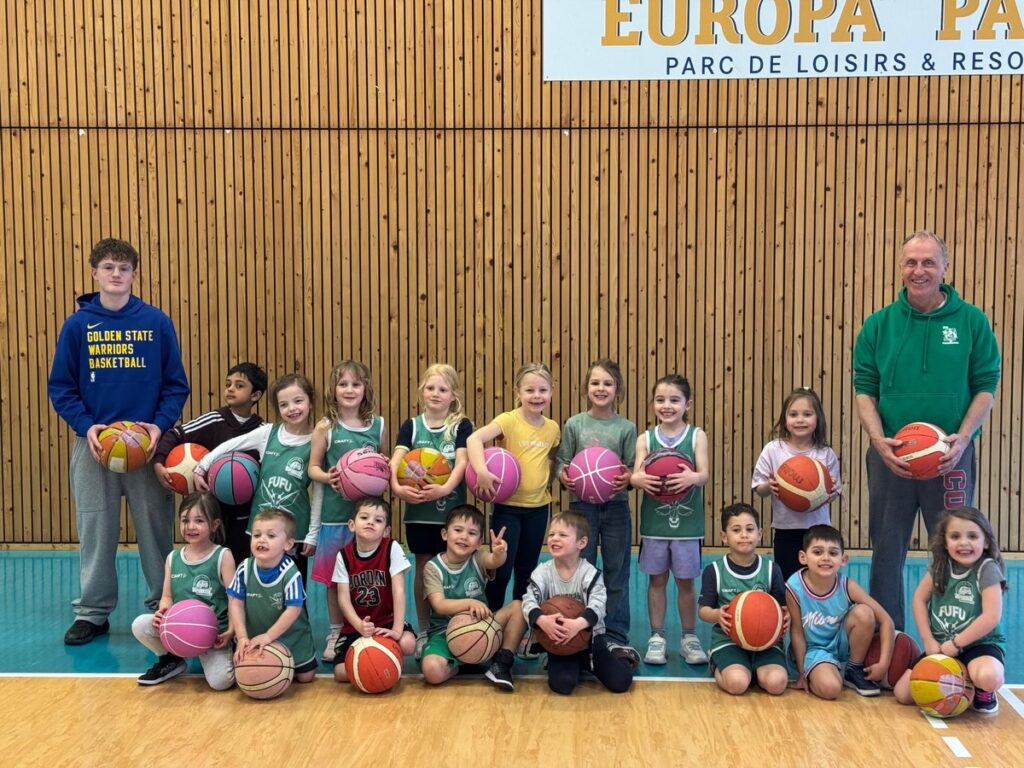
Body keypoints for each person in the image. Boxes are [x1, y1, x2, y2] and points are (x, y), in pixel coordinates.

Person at [854, 230, 1001, 630]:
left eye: (928, 263)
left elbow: (986, 385)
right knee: (886, 550)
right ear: (901, 268)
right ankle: (890, 641)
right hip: (891, 456)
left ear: (944, 268)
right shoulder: (879, 325)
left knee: (957, 548)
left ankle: (952, 641)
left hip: (951, 457)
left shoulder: (971, 321)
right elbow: (864, 388)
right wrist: (877, 440)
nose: (918, 271)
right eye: (911, 262)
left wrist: (964, 437)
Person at [47, 238, 190, 645]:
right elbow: (61, 387)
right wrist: (86, 425)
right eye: (108, 267)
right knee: (95, 529)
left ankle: (162, 606)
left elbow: (175, 386)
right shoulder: (77, 326)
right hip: (94, 445)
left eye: (123, 268)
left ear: (133, 274)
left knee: (156, 530)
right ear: (94, 272)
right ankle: (93, 613)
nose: (116, 274)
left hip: (146, 447)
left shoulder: (156, 322)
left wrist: (158, 428)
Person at [194, 374, 321, 582]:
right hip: (260, 529)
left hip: (294, 532)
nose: (292, 408)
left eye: (298, 401)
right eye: (284, 404)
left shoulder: (316, 441)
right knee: (258, 587)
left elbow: (319, 493)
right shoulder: (268, 433)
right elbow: (230, 446)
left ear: (310, 401)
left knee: (293, 588)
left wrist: (313, 534)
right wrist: (203, 466)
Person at [555, 359, 638, 664]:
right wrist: (563, 474)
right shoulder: (575, 424)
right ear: (586, 388)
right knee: (580, 571)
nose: (601, 388)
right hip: (581, 508)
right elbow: (562, 461)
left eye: (607, 383)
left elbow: (633, 467)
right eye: (595, 383)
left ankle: (614, 634)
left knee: (617, 572)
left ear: (618, 389)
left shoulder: (626, 427)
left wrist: (628, 478)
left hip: (616, 508)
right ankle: (580, 632)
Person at [389, 364, 473, 659]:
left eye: (443, 389)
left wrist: (445, 488)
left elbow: (463, 462)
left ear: (454, 395)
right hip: (420, 514)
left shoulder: (461, 426)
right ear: (422, 391)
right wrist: (397, 488)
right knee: (425, 568)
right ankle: (425, 629)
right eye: (430, 388)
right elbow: (395, 460)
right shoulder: (411, 426)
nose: (436, 394)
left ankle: (455, 627)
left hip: (450, 512)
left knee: (456, 567)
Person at [308, 360, 386, 661]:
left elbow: (383, 465)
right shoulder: (326, 426)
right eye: (343, 384)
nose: (349, 390)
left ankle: (369, 625)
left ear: (365, 388)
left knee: (369, 576)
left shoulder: (377, 425)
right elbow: (313, 468)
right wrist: (327, 476)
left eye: (356, 384)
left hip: (369, 519)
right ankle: (336, 630)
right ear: (334, 390)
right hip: (335, 518)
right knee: (334, 579)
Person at [467, 362, 560, 612]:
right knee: (501, 569)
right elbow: (474, 439)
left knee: (526, 571)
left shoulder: (553, 428)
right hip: (507, 508)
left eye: (542, 390)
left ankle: (520, 624)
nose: (536, 396)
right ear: (517, 392)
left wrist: (544, 481)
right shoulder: (508, 420)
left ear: (551, 391)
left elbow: (551, 459)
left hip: (538, 509)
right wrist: (481, 471)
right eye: (529, 390)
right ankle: (491, 622)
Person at [152, 362, 267, 565]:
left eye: (239, 385)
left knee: (240, 562)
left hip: (246, 512)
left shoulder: (263, 430)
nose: (230, 389)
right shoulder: (214, 420)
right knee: (209, 562)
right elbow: (174, 434)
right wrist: (159, 461)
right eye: (228, 384)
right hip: (212, 509)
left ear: (255, 395)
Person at [893, 507, 1006, 714]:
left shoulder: (987, 569)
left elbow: (992, 616)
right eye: (955, 536)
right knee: (903, 694)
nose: (964, 542)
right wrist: (928, 640)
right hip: (942, 647)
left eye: (972, 536)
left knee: (989, 677)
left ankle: (982, 690)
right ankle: (962, 681)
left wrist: (957, 643)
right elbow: (919, 600)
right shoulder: (940, 567)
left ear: (986, 542)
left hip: (978, 645)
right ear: (945, 543)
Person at [630, 374, 709, 666]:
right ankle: (657, 637)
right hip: (655, 525)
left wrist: (692, 477)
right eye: (660, 400)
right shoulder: (646, 438)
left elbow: (704, 474)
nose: (667, 405)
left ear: (687, 404)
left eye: (675, 400)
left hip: (688, 527)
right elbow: (636, 474)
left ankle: (689, 638)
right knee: (657, 580)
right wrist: (639, 480)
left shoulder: (697, 435)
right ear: (653, 404)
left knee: (686, 583)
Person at [521, 512, 634, 695]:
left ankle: (616, 652)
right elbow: (528, 600)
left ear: (581, 543)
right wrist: (542, 620)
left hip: (591, 642)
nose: (554, 538)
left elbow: (598, 604)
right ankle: (569, 662)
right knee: (562, 685)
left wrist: (577, 625)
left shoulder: (590, 573)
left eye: (563, 535)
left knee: (621, 682)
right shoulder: (542, 572)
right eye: (551, 534)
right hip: (559, 642)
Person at [131, 492, 235, 688]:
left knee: (221, 683)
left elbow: (235, 600)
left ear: (214, 525)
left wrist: (231, 631)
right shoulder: (173, 558)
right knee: (140, 625)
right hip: (180, 631)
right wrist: (163, 612)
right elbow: (167, 596)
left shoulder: (223, 556)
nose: (191, 526)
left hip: (214, 636)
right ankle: (171, 659)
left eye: (199, 520)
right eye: (185, 520)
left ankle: (227, 654)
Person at [420, 505, 527, 690]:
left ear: (479, 543)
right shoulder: (433, 567)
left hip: (483, 627)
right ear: (445, 534)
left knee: (518, 606)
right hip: (445, 632)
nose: (464, 536)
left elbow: (494, 561)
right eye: (458, 530)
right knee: (432, 671)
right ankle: (461, 665)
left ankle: (502, 662)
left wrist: (500, 553)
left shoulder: (478, 558)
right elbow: (439, 605)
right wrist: (470, 603)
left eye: (472, 533)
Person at [786, 525, 895, 699]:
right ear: (803, 557)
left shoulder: (847, 585)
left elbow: (886, 620)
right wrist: (802, 673)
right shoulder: (794, 587)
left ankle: (853, 669)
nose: (826, 558)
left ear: (843, 559)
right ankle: (825, 673)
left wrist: (884, 664)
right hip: (814, 651)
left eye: (833, 553)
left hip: (841, 645)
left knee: (865, 612)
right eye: (818, 552)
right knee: (831, 689)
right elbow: (797, 632)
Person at [698, 503, 789, 696]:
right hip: (728, 641)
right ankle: (719, 665)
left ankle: (754, 671)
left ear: (759, 534)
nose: (744, 535)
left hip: (767, 642)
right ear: (724, 537)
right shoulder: (714, 570)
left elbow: (782, 607)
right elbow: (703, 611)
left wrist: (786, 616)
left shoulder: (772, 569)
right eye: (736, 530)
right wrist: (717, 614)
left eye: (749, 529)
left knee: (777, 684)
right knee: (737, 684)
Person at [752, 387, 841, 580]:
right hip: (786, 530)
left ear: (818, 419)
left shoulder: (825, 453)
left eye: (807, 414)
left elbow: (834, 494)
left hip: (819, 531)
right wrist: (769, 486)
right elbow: (759, 489)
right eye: (793, 414)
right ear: (785, 419)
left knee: (819, 580)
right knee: (788, 582)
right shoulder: (773, 450)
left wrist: (830, 492)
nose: (800, 420)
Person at [226, 508, 317, 683]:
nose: (262, 540)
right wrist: (242, 637)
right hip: (254, 636)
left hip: (291, 636)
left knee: (306, 678)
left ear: (288, 544)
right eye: (256, 535)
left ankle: (286, 662)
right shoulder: (244, 568)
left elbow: (293, 610)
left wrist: (269, 636)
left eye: (271, 535)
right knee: (252, 677)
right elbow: (235, 604)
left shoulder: (291, 573)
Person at [331, 498, 417, 682]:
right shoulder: (343, 555)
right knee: (340, 673)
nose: (370, 522)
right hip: (356, 626)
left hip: (387, 621)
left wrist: (397, 629)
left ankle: (385, 663)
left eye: (378, 520)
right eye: (364, 517)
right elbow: (343, 599)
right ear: (352, 525)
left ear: (386, 531)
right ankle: (376, 668)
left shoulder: (391, 548)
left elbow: (399, 592)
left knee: (408, 644)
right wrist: (359, 625)